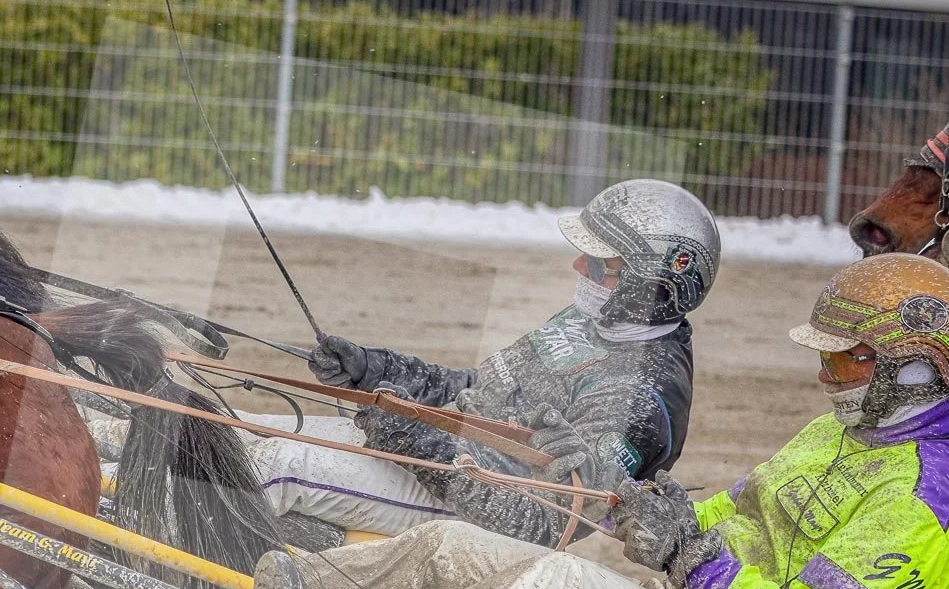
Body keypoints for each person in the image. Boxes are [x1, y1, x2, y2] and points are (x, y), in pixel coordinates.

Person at [253, 253, 949, 589]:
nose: (825, 378)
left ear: (911, 368)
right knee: (455, 543)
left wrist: (694, 561)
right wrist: (636, 501)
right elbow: (728, 513)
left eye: (844, 363)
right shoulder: (841, 433)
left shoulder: (920, 504)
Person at [246, 179, 720, 544]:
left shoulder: (642, 403)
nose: (579, 268)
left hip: (468, 517)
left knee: (272, 466)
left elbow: (542, 521)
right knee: (241, 432)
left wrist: (416, 438)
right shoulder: (600, 320)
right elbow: (483, 388)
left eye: (600, 262)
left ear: (651, 282)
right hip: (438, 462)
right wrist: (375, 369)